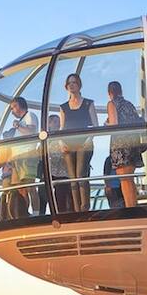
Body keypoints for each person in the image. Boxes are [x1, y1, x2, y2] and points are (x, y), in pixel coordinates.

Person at [57, 73, 98, 211]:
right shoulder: (63, 107)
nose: (72, 85)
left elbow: (95, 125)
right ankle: (77, 209)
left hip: (84, 143)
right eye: (69, 83)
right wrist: (61, 143)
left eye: (74, 82)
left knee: (81, 175)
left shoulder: (88, 103)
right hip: (68, 144)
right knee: (73, 178)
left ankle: (85, 207)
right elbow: (61, 128)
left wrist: (89, 139)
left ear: (79, 84)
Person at [106, 81, 144, 208]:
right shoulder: (129, 105)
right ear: (121, 91)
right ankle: (133, 205)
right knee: (130, 179)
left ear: (109, 93)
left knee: (124, 179)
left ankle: (130, 208)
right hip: (132, 144)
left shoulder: (112, 104)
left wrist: (106, 124)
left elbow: (114, 124)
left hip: (120, 145)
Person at [4, 97, 40, 217]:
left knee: (30, 186)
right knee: (19, 188)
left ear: (20, 105)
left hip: (27, 155)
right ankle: (23, 213)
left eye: (13, 107)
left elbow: (31, 132)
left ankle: (36, 214)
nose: (12, 110)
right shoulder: (21, 121)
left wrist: (18, 126)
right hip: (17, 157)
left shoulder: (30, 115)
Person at [44, 114, 71, 213]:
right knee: (53, 195)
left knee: (62, 196)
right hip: (53, 173)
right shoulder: (47, 139)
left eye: (59, 121)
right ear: (49, 124)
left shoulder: (61, 137)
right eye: (55, 122)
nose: (58, 124)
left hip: (63, 173)